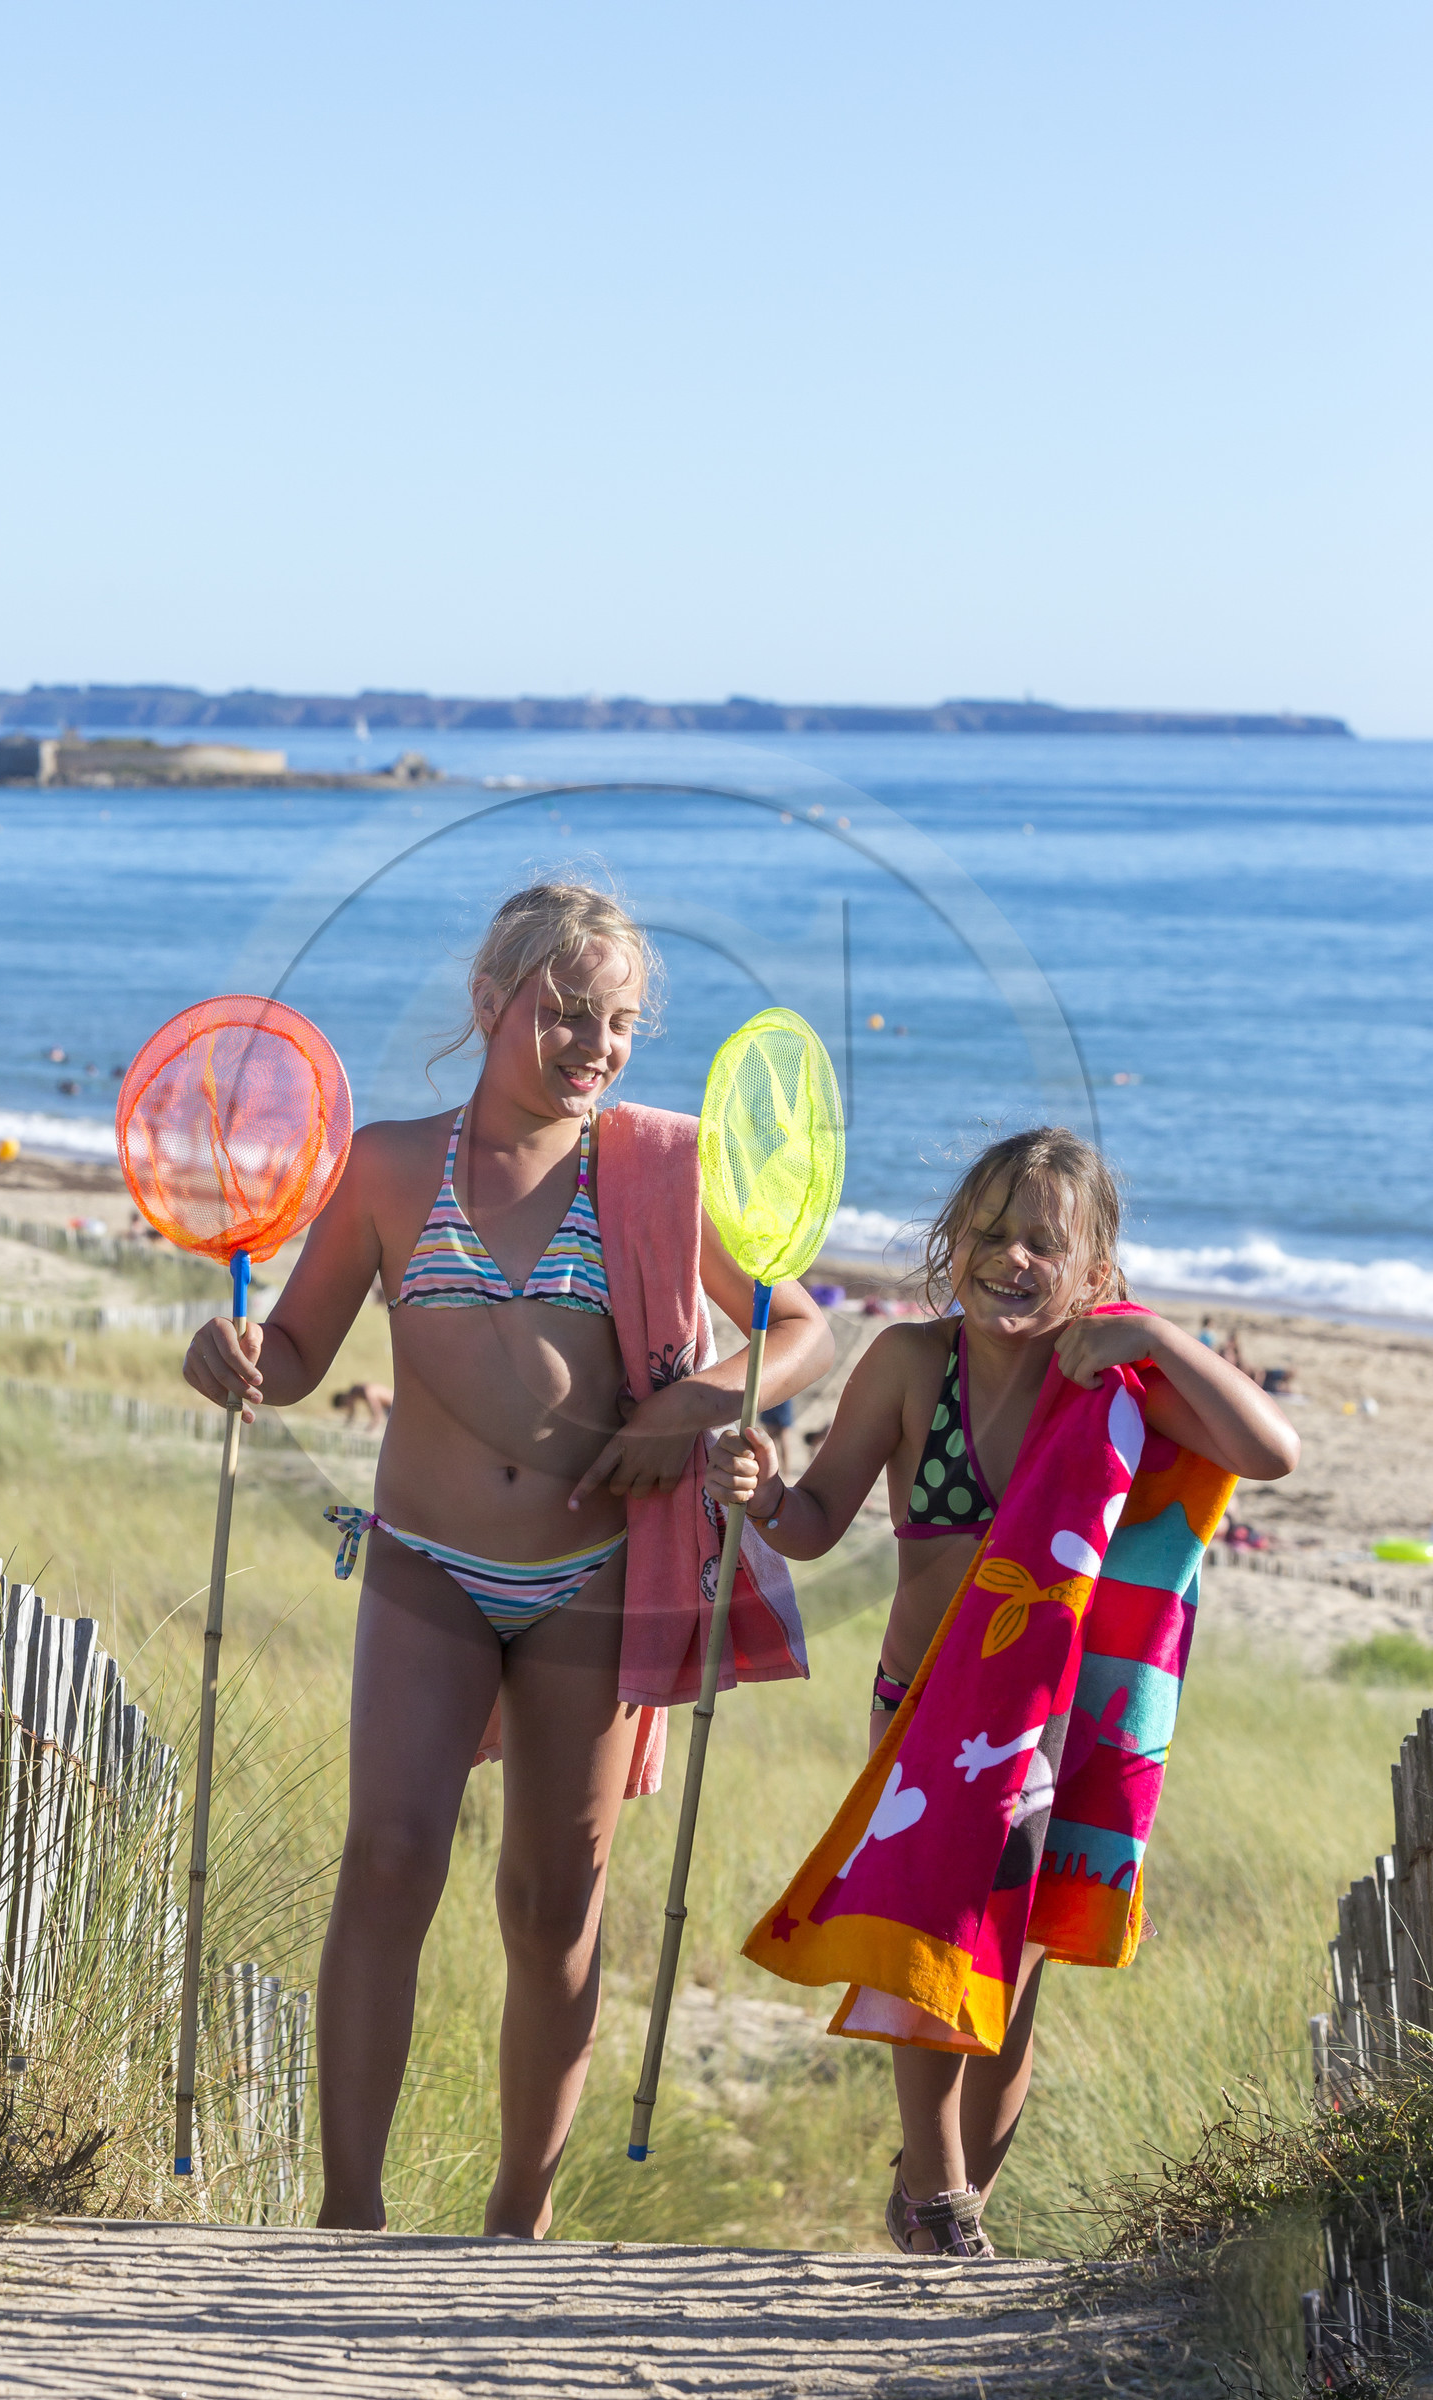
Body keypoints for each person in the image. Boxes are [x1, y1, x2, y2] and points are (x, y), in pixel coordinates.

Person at [183, 882, 832, 2237]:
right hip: (426, 1565)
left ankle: (516, 2219)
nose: (596, 1045)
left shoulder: (659, 1168)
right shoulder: (388, 1167)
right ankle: (350, 2216)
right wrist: (234, 1356)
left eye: (620, 1022)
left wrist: (690, 1404)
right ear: (490, 1003)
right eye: (566, 1013)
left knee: (552, 1908)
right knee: (387, 1860)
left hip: (591, 1583)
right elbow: (294, 1353)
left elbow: (799, 1330)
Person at [705, 1125, 1298, 2257]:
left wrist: (1156, 1336)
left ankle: (951, 2196)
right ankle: (938, 2200)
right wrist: (766, 1495)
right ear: (950, 1243)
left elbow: (1270, 1453)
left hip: (1051, 1726)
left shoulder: (1113, 1385)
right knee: (928, 1939)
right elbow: (815, 1522)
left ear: (1094, 1273)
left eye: (1041, 1242)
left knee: (1007, 1987)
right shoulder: (907, 1363)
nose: (1009, 1257)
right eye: (986, 1231)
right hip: (926, 1711)